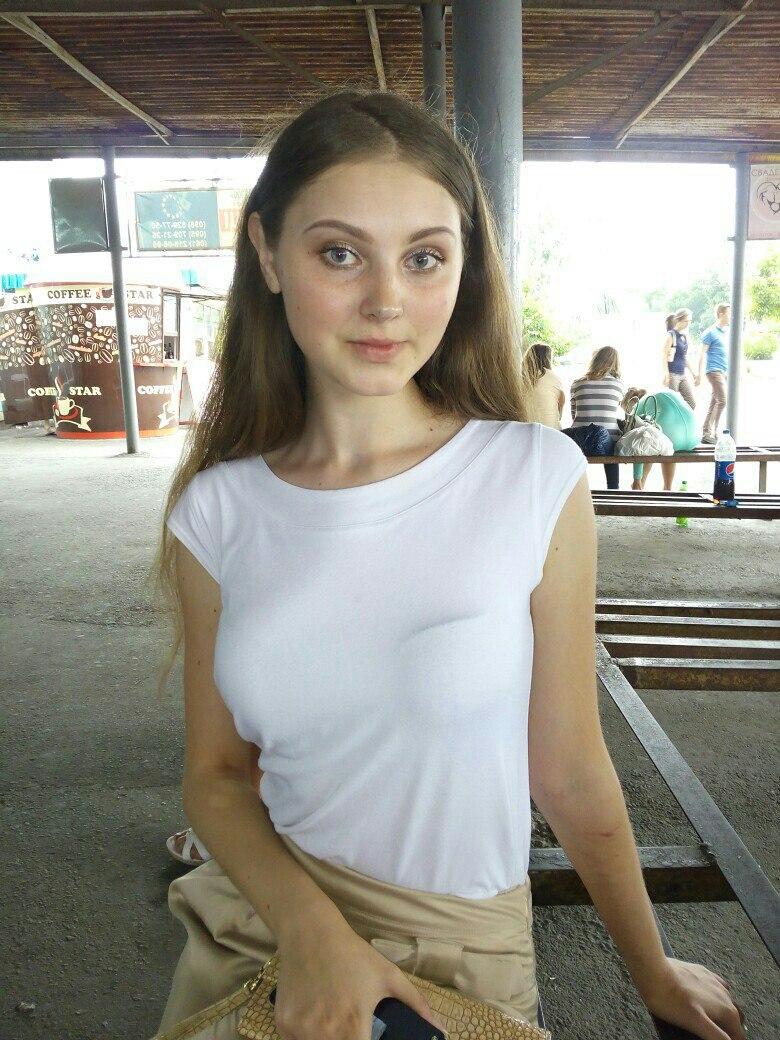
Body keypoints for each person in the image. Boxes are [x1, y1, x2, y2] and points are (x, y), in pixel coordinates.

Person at [151, 89, 746, 1040]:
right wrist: (313, 933)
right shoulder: (216, 513)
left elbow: (569, 768)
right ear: (266, 252)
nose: (386, 301)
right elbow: (217, 776)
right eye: (339, 253)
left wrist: (652, 968)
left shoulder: (532, 477)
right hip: (268, 933)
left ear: (464, 269)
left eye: (424, 257)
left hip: (462, 952)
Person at [569, 346, 625, 490]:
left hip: (579, 443)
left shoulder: (577, 384)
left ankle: (577, 489)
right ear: (615, 363)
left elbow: (573, 415)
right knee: (612, 441)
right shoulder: (618, 385)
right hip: (607, 445)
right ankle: (613, 488)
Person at [698, 303, 730, 445]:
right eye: (729, 313)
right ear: (721, 314)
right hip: (713, 371)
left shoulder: (724, 333)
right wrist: (698, 374)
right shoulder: (710, 332)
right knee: (722, 401)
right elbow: (701, 354)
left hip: (722, 372)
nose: (731, 316)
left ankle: (708, 433)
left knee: (714, 402)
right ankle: (712, 432)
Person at [522, 342, 565, 429]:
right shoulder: (554, 377)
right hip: (552, 430)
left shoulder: (520, 376)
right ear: (548, 359)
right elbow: (561, 404)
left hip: (524, 429)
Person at [663, 309, 697, 409]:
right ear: (679, 320)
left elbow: (684, 357)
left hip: (682, 375)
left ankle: (682, 418)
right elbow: (664, 355)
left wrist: (693, 374)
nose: (688, 323)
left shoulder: (684, 337)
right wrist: (666, 374)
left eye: (689, 321)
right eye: (686, 321)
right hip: (672, 375)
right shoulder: (671, 335)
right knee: (671, 405)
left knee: (692, 404)